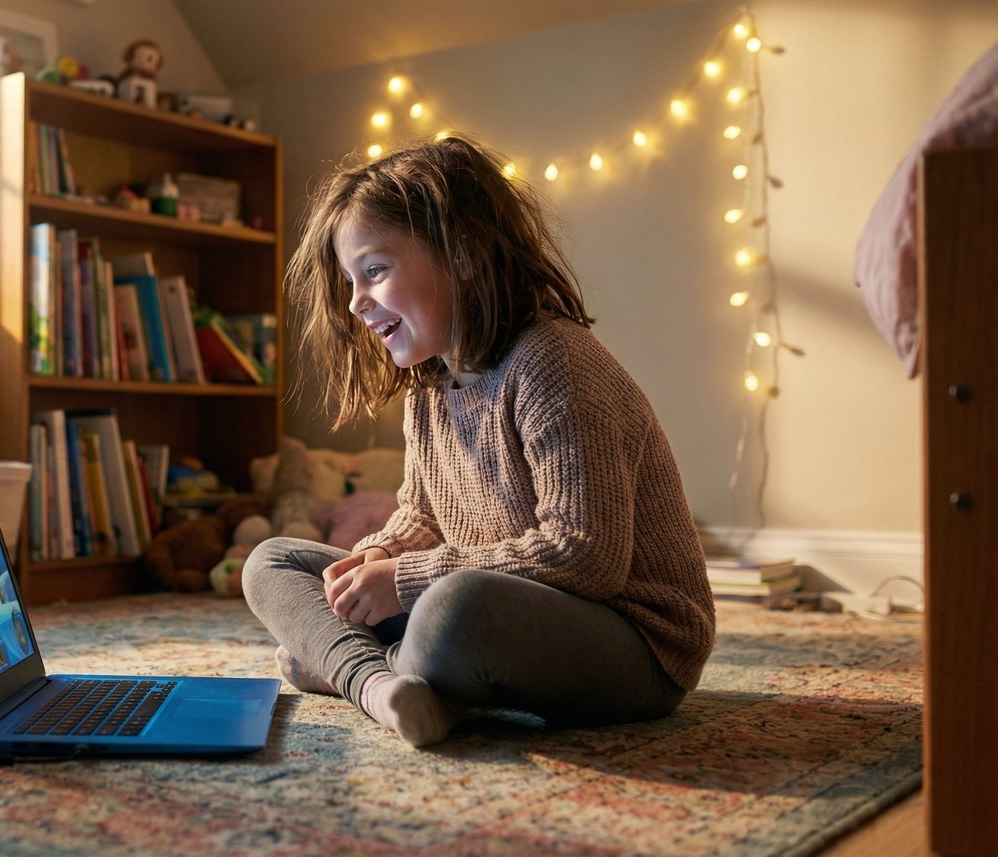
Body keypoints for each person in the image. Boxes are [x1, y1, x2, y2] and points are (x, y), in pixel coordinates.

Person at [242, 134, 715, 747]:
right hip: (494, 609)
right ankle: (385, 688)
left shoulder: (554, 361)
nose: (357, 302)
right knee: (272, 562)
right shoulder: (429, 385)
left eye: (375, 271)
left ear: (461, 254)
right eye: (350, 280)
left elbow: (585, 557)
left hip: (635, 645)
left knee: (454, 609)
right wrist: (381, 557)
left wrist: (405, 583)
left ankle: (347, 667)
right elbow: (424, 514)